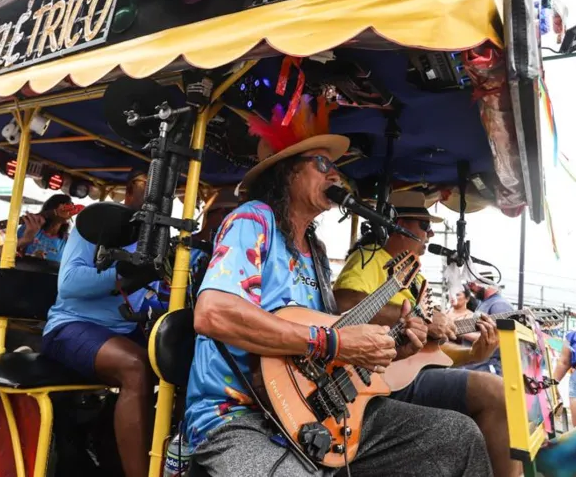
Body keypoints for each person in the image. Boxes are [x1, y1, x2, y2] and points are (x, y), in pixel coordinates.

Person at [187, 98, 492, 477]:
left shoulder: (315, 250)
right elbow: (213, 313)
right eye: (321, 164)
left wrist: (396, 346)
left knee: (456, 436)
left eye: (334, 168)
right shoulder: (253, 220)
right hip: (239, 417)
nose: (335, 176)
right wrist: (333, 343)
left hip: (318, 413)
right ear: (286, 173)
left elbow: (334, 347)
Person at [334, 190, 515, 477]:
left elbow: (426, 353)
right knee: (493, 392)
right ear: (399, 224)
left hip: (407, 375)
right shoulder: (368, 259)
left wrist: (471, 354)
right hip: (375, 378)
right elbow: (343, 303)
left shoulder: (417, 277)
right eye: (424, 225)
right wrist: (421, 318)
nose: (430, 233)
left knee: (498, 390)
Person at [41, 169, 159, 477]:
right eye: (142, 193)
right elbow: (68, 285)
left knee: (186, 358)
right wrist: (121, 275)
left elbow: (152, 296)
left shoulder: (157, 236)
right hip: (70, 326)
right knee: (135, 366)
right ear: (128, 196)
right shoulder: (95, 225)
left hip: (125, 328)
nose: (150, 202)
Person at [464, 273, 514, 376]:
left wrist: (462, 333)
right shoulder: (484, 303)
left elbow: (500, 338)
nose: (470, 287)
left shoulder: (499, 305)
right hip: (476, 367)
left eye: (472, 283)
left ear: (484, 283)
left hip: (488, 368)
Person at [16, 193, 80, 263]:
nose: (69, 211)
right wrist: (24, 240)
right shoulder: (29, 227)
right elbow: (10, 251)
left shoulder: (67, 240)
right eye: (65, 206)